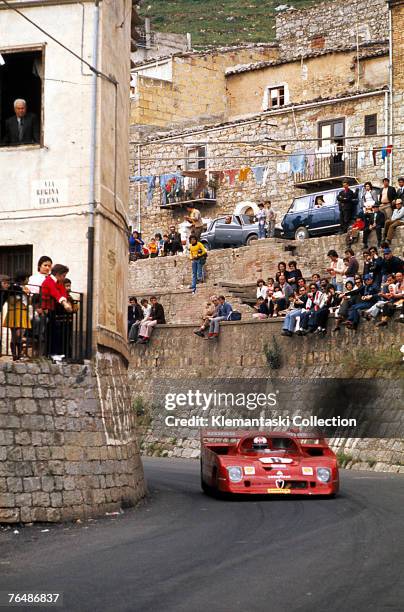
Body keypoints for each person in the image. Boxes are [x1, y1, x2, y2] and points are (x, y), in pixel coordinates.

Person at [41, 264, 72, 359]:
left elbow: (63, 293)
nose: (64, 278)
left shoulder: (59, 282)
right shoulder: (49, 281)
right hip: (48, 309)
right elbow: (55, 292)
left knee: (60, 331)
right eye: (64, 275)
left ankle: (59, 353)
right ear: (58, 274)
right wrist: (64, 303)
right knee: (52, 332)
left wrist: (67, 302)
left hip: (55, 309)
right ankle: (52, 353)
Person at [2, 271, 31, 360]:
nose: (28, 280)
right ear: (23, 278)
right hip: (15, 312)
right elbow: (10, 301)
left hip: (23, 312)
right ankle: (15, 355)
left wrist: (27, 295)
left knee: (20, 335)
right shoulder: (13, 288)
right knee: (16, 335)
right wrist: (20, 295)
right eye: (27, 278)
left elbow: (28, 302)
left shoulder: (25, 288)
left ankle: (19, 354)